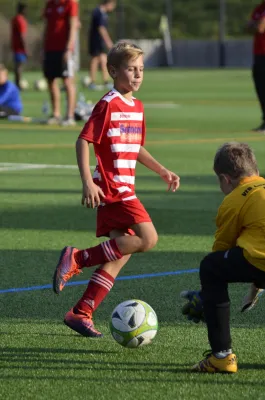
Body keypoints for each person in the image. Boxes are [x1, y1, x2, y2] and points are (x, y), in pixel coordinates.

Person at [52, 41, 180, 337]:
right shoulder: (107, 103)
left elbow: (134, 148)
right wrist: (87, 182)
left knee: (119, 254)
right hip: (112, 187)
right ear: (113, 71)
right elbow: (83, 140)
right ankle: (76, 258)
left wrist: (161, 170)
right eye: (131, 69)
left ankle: (81, 312)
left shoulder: (137, 106)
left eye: (141, 70)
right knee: (148, 238)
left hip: (124, 185)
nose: (137, 75)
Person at [182, 142, 265, 373]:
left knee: (211, 267)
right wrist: (256, 286)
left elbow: (222, 249)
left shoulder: (235, 199)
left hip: (261, 261)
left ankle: (221, 356)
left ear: (225, 179)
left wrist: (206, 297)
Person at [42, 0, 79, 126]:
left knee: (67, 80)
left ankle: (69, 116)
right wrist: (44, 46)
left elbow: (74, 25)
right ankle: (56, 114)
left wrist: (69, 47)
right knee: (50, 80)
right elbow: (47, 26)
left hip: (64, 49)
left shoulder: (70, 3)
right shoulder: (50, 4)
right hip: (50, 48)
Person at [88, 0, 116, 90]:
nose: (113, 7)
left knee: (103, 58)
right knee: (95, 59)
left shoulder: (103, 13)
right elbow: (101, 28)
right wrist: (108, 41)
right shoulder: (98, 12)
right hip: (96, 40)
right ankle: (92, 82)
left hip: (100, 41)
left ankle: (106, 81)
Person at [248, 1, 265, 132]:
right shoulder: (259, 8)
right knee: (261, 88)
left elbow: (259, 27)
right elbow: (248, 28)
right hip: (259, 54)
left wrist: (256, 24)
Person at [11, 2, 28, 90]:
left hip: (15, 46)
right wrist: (26, 48)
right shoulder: (20, 20)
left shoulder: (15, 19)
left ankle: (17, 83)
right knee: (19, 66)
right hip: (19, 48)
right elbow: (22, 36)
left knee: (18, 66)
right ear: (22, 10)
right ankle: (17, 84)